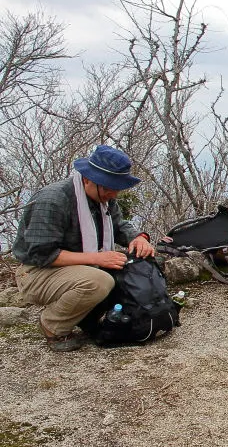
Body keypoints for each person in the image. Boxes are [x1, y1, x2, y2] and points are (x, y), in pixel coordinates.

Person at [12, 145, 156, 352]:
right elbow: (41, 254)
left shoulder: (102, 198)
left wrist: (139, 238)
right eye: (108, 187)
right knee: (99, 281)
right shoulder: (53, 199)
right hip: (36, 272)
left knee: (130, 267)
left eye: (116, 187)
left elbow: (118, 224)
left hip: (78, 266)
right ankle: (53, 325)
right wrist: (96, 259)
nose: (113, 193)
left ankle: (87, 319)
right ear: (87, 179)